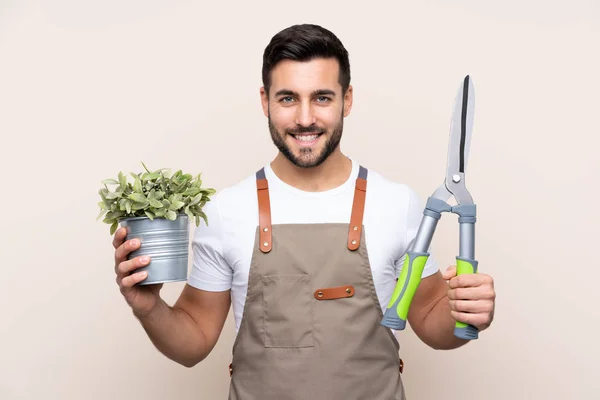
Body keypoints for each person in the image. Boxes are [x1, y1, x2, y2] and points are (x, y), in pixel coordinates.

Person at [112, 24, 496, 400]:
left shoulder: (399, 204)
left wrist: (466, 311)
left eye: (322, 98)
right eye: (288, 98)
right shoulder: (227, 211)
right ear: (265, 100)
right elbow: (191, 342)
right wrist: (149, 308)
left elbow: (432, 323)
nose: (305, 118)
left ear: (347, 99)